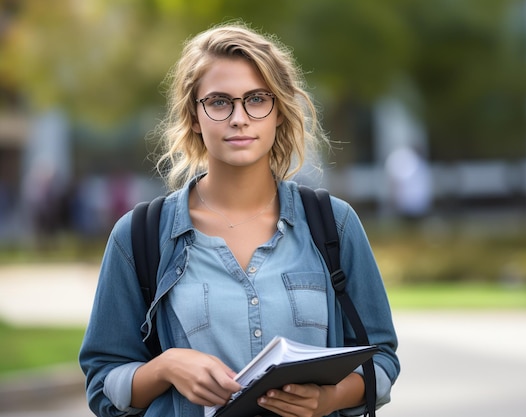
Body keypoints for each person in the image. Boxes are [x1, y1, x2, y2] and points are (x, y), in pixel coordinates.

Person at [79, 22, 400, 417]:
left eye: (256, 99)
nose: (239, 118)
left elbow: (381, 360)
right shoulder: (139, 236)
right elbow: (102, 382)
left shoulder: (334, 225)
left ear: (278, 111)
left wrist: (329, 399)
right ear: (194, 117)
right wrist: (166, 368)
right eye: (218, 102)